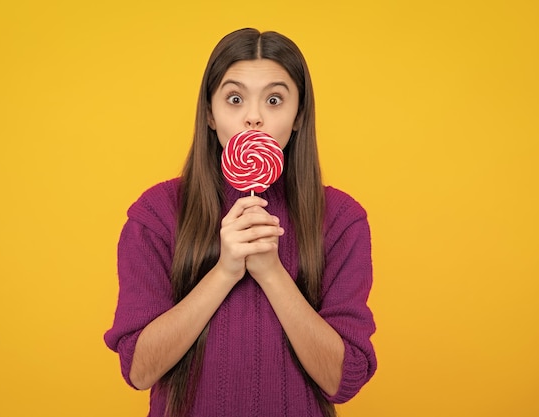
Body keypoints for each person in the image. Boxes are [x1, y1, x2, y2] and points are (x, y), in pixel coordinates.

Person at [104, 28, 377, 417]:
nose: (254, 117)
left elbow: (343, 379)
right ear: (211, 115)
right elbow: (139, 369)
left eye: (274, 99)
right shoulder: (157, 214)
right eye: (235, 99)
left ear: (299, 116)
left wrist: (271, 272)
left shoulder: (341, 220)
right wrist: (226, 270)